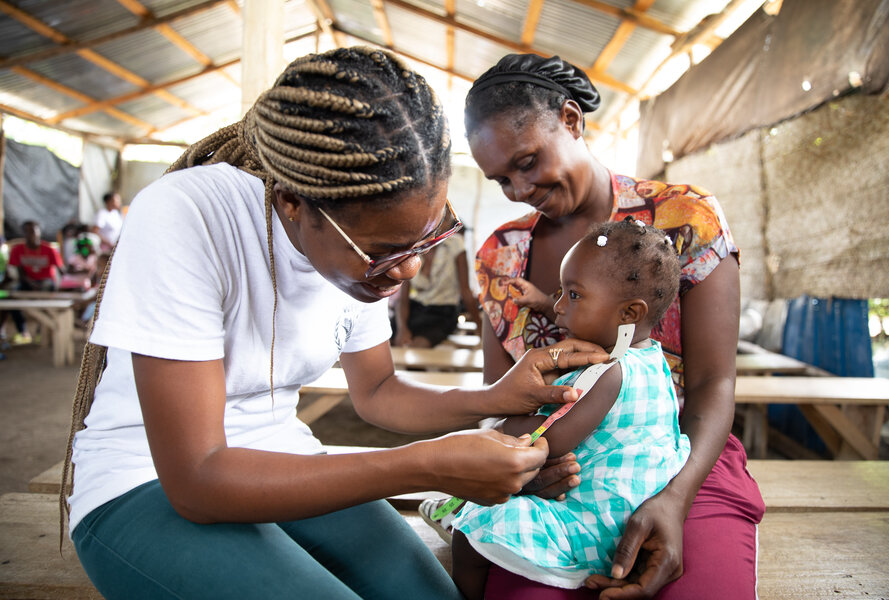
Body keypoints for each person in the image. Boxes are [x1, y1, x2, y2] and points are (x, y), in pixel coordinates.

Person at [60, 47, 608, 600]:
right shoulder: (189, 215)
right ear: (295, 203)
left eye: (428, 237)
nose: (411, 267)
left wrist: (493, 398)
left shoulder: (364, 239)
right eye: (387, 251)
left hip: (285, 459)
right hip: (144, 483)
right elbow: (197, 479)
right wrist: (427, 466)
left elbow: (377, 391)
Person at [432, 53, 766, 599]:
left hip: (682, 460)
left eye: (527, 161)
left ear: (570, 120)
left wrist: (675, 499)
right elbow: (502, 401)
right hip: (553, 471)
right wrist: (526, 474)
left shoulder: (684, 219)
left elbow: (713, 385)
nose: (518, 189)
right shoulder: (502, 253)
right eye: (501, 180)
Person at [451, 219, 691, 598]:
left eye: (572, 295)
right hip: (631, 516)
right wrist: (547, 303)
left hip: (590, 528)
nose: (559, 306)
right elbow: (596, 317)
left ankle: (462, 590)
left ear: (629, 314)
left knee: (476, 524)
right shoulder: (651, 359)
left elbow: (551, 438)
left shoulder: (607, 374)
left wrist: (505, 422)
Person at [393, 228, 481, 347]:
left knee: (418, 346)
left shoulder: (455, 244)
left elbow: (465, 291)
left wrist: (480, 328)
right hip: (416, 309)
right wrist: (402, 328)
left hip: (443, 313)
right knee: (385, 339)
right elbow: (403, 300)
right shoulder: (410, 248)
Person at [1, 221, 64, 344]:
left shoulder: (49, 249)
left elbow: (62, 271)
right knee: (11, 296)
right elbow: (19, 272)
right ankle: (23, 332)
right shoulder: (17, 249)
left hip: (46, 282)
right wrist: (30, 282)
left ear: (39, 232)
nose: (31, 234)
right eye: (28, 231)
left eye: (34, 231)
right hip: (26, 282)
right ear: (24, 233)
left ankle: (42, 331)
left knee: (47, 288)